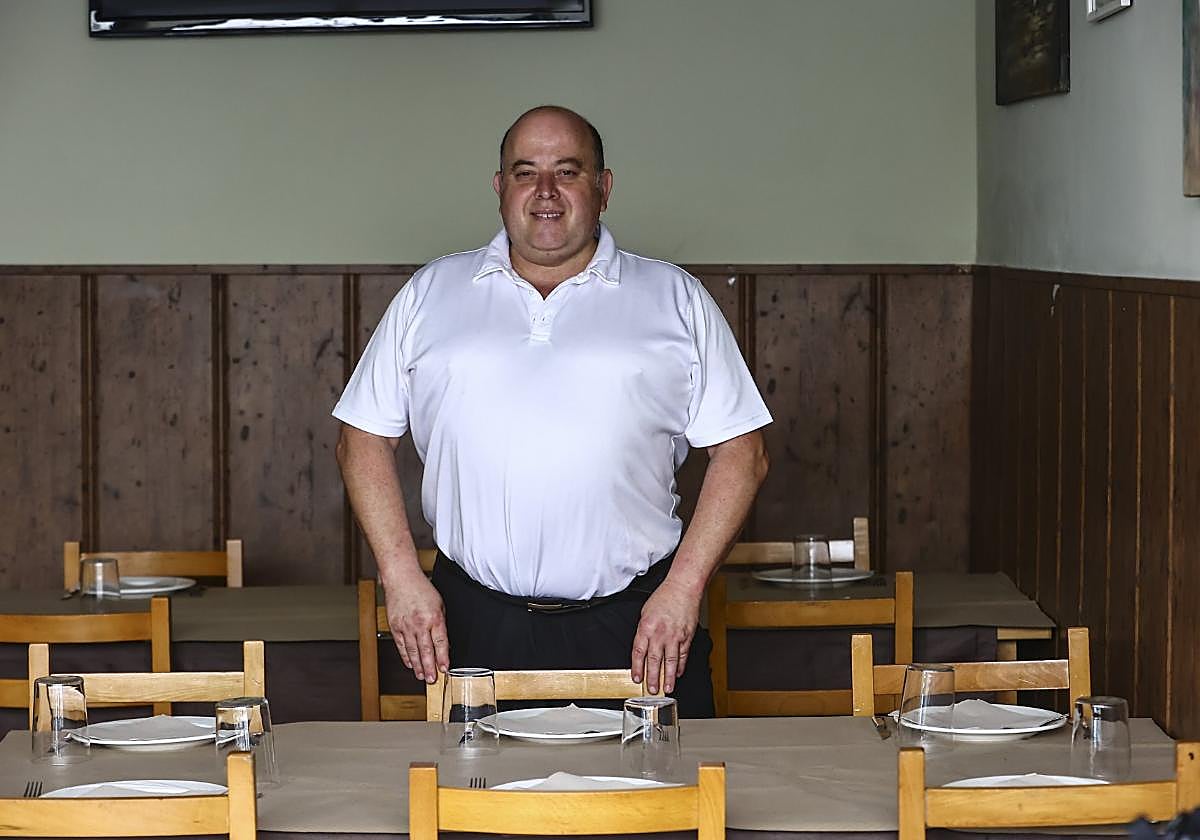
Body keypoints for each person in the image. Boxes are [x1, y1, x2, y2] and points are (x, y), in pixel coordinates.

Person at [332, 105, 770, 716]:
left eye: (567, 171)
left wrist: (684, 588)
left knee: (663, 806)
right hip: (472, 623)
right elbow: (361, 439)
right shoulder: (432, 292)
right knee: (477, 808)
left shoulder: (674, 297)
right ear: (499, 187)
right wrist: (402, 579)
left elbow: (741, 453)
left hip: (641, 621)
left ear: (604, 188)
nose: (545, 192)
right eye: (524, 172)